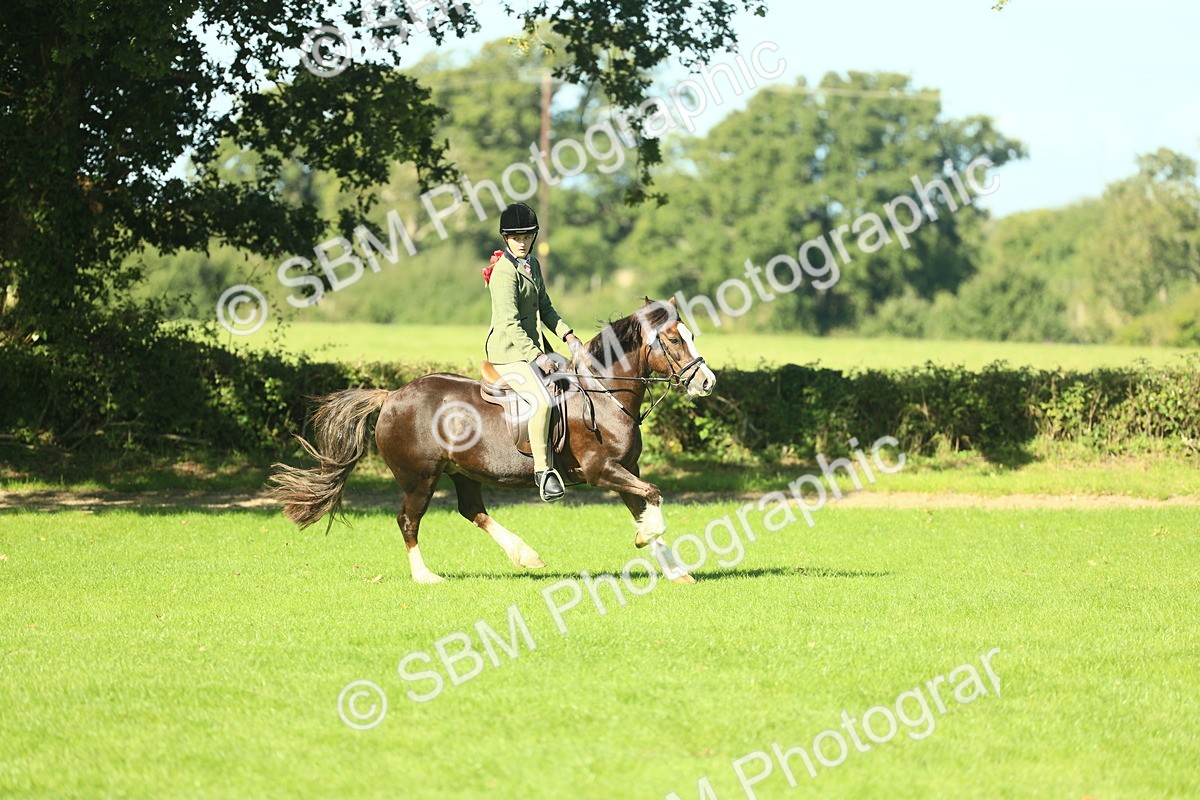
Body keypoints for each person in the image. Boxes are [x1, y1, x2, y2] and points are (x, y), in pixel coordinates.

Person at [483, 202, 584, 502]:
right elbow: (511, 324)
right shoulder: (503, 273)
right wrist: (537, 356)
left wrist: (567, 334)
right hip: (508, 354)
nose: (523, 242)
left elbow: (546, 308)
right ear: (506, 238)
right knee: (541, 401)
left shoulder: (533, 265)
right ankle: (543, 472)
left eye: (527, 236)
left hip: (532, 349)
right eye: (517, 237)